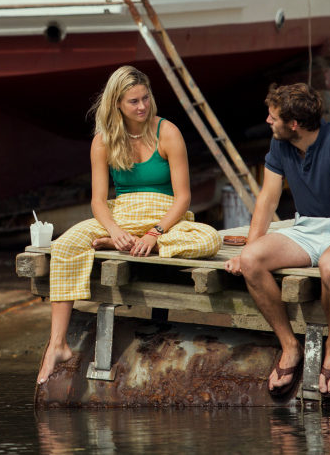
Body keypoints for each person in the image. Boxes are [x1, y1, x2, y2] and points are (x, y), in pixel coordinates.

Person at [36, 66, 221, 385]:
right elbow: (97, 202)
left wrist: (155, 233)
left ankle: (134, 243)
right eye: (133, 101)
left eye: (146, 98)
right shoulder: (104, 141)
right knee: (64, 245)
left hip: (164, 217)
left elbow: (183, 198)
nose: (142, 107)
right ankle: (58, 344)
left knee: (209, 240)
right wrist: (114, 231)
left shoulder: (167, 132)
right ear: (117, 104)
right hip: (119, 215)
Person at [223, 83, 330, 399]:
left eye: (274, 117)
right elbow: (268, 200)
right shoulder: (280, 145)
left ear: (294, 124)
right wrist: (245, 251)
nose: (269, 121)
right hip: (307, 229)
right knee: (251, 260)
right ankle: (289, 346)